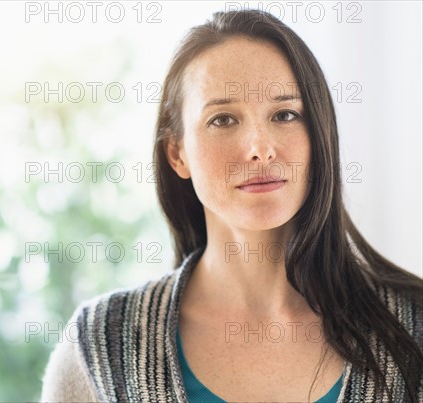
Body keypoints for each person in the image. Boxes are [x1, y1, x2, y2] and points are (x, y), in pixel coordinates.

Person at [40, 9, 423, 403]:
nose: (260, 148)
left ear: (318, 136)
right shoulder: (103, 346)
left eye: (285, 114)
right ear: (177, 154)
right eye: (223, 120)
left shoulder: (414, 330)